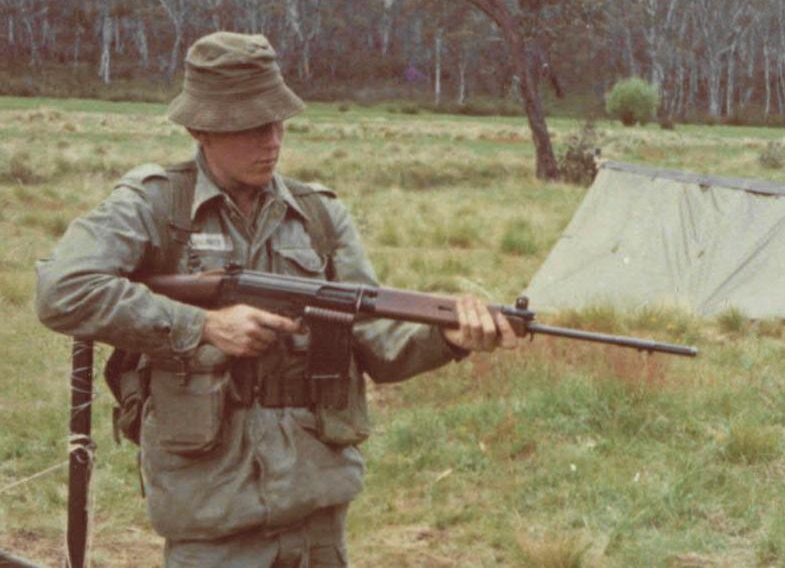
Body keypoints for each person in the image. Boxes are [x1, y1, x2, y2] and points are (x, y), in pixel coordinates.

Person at [36, 31, 518, 567]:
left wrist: (447, 337)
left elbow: (377, 342)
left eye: (277, 121)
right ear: (201, 129)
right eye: (250, 126)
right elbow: (63, 290)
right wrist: (202, 328)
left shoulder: (318, 215)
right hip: (211, 508)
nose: (272, 140)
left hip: (314, 506)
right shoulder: (153, 205)